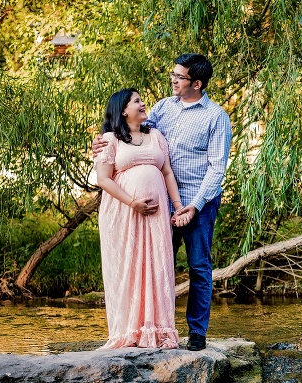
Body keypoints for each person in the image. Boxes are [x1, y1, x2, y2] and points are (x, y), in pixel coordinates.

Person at [93, 54, 233, 351]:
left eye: (179, 77)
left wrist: (192, 206)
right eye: (173, 74)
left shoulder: (216, 117)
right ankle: (146, 328)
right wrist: (101, 140)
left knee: (198, 266)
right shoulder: (163, 108)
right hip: (157, 206)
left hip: (197, 202)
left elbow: (217, 168)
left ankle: (196, 333)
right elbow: (130, 131)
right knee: (151, 265)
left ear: (196, 83)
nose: (173, 80)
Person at [95, 88, 186, 349]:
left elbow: (167, 172)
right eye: (137, 101)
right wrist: (132, 202)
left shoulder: (155, 136)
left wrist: (177, 206)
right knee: (129, 265)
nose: (143, 103)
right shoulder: (110, 140)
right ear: (123, 110)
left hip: (156, 216)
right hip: (124, 213)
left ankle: (157, 331)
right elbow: (103, 179)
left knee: (157, 263)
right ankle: (128, 332)